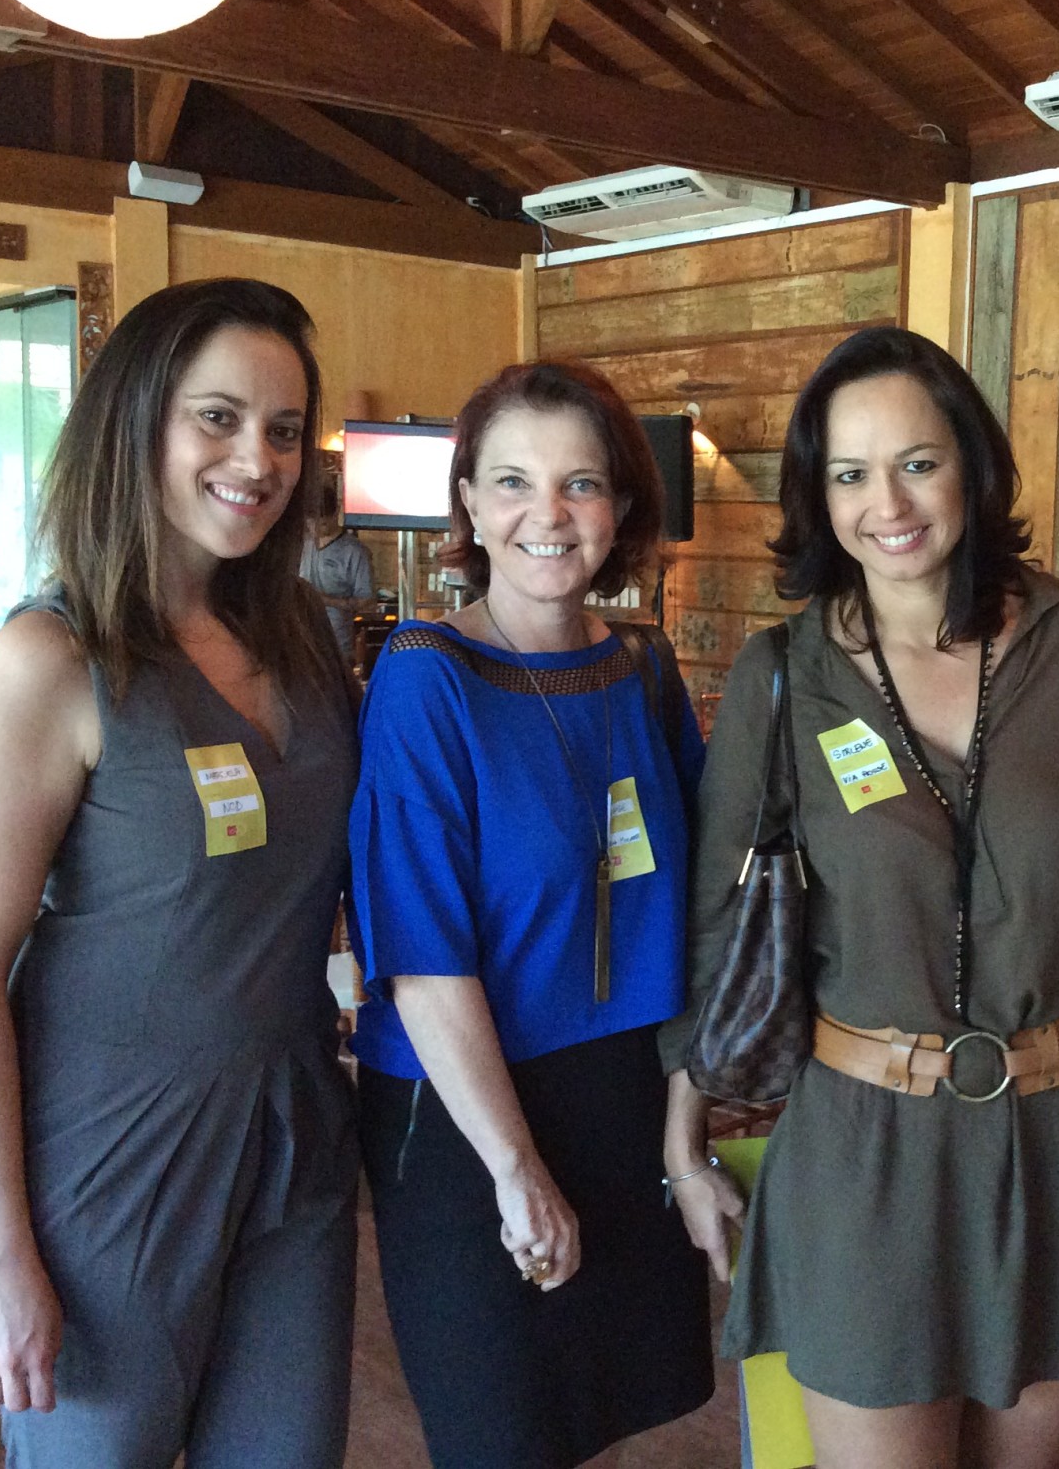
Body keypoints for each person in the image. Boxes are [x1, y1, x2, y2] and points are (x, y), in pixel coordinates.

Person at [663, 325, 1059, 1468]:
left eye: (915, 461)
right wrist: (682, 1138)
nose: (884, 503)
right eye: (847, 474)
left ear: (970, 466)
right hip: (867, 1151)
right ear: (815, 494)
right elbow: (718, 919)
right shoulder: (781, 678)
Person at [0, 278, 360, 1467]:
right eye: (216, 418)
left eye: (280, 430)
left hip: (291, 1128)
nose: (255, 459)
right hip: (102, 1158)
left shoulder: (305, 638)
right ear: (138, 423)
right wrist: (1, 1255)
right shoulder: (50, 658)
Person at [350, 360, 713, 1469]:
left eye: (580, 485)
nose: (545, 517)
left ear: (620, 506)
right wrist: (515, 1168)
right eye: (510, 483)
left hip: (625, 1094)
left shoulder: (645, 673)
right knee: (500, 1433)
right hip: (468, 1116)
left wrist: (684, 1131)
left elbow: (706, 915)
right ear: (466, 503)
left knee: (595, 1414)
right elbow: (420, 955)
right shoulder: (426, 676)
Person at [301, 476, 377, 664]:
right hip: (299, 643)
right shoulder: (302, 544)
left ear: (336, 513)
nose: (316, 528)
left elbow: (368, 601)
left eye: (323, 523)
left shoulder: (354, 552)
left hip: (336, 647)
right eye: (311, 523)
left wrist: (327, 600)